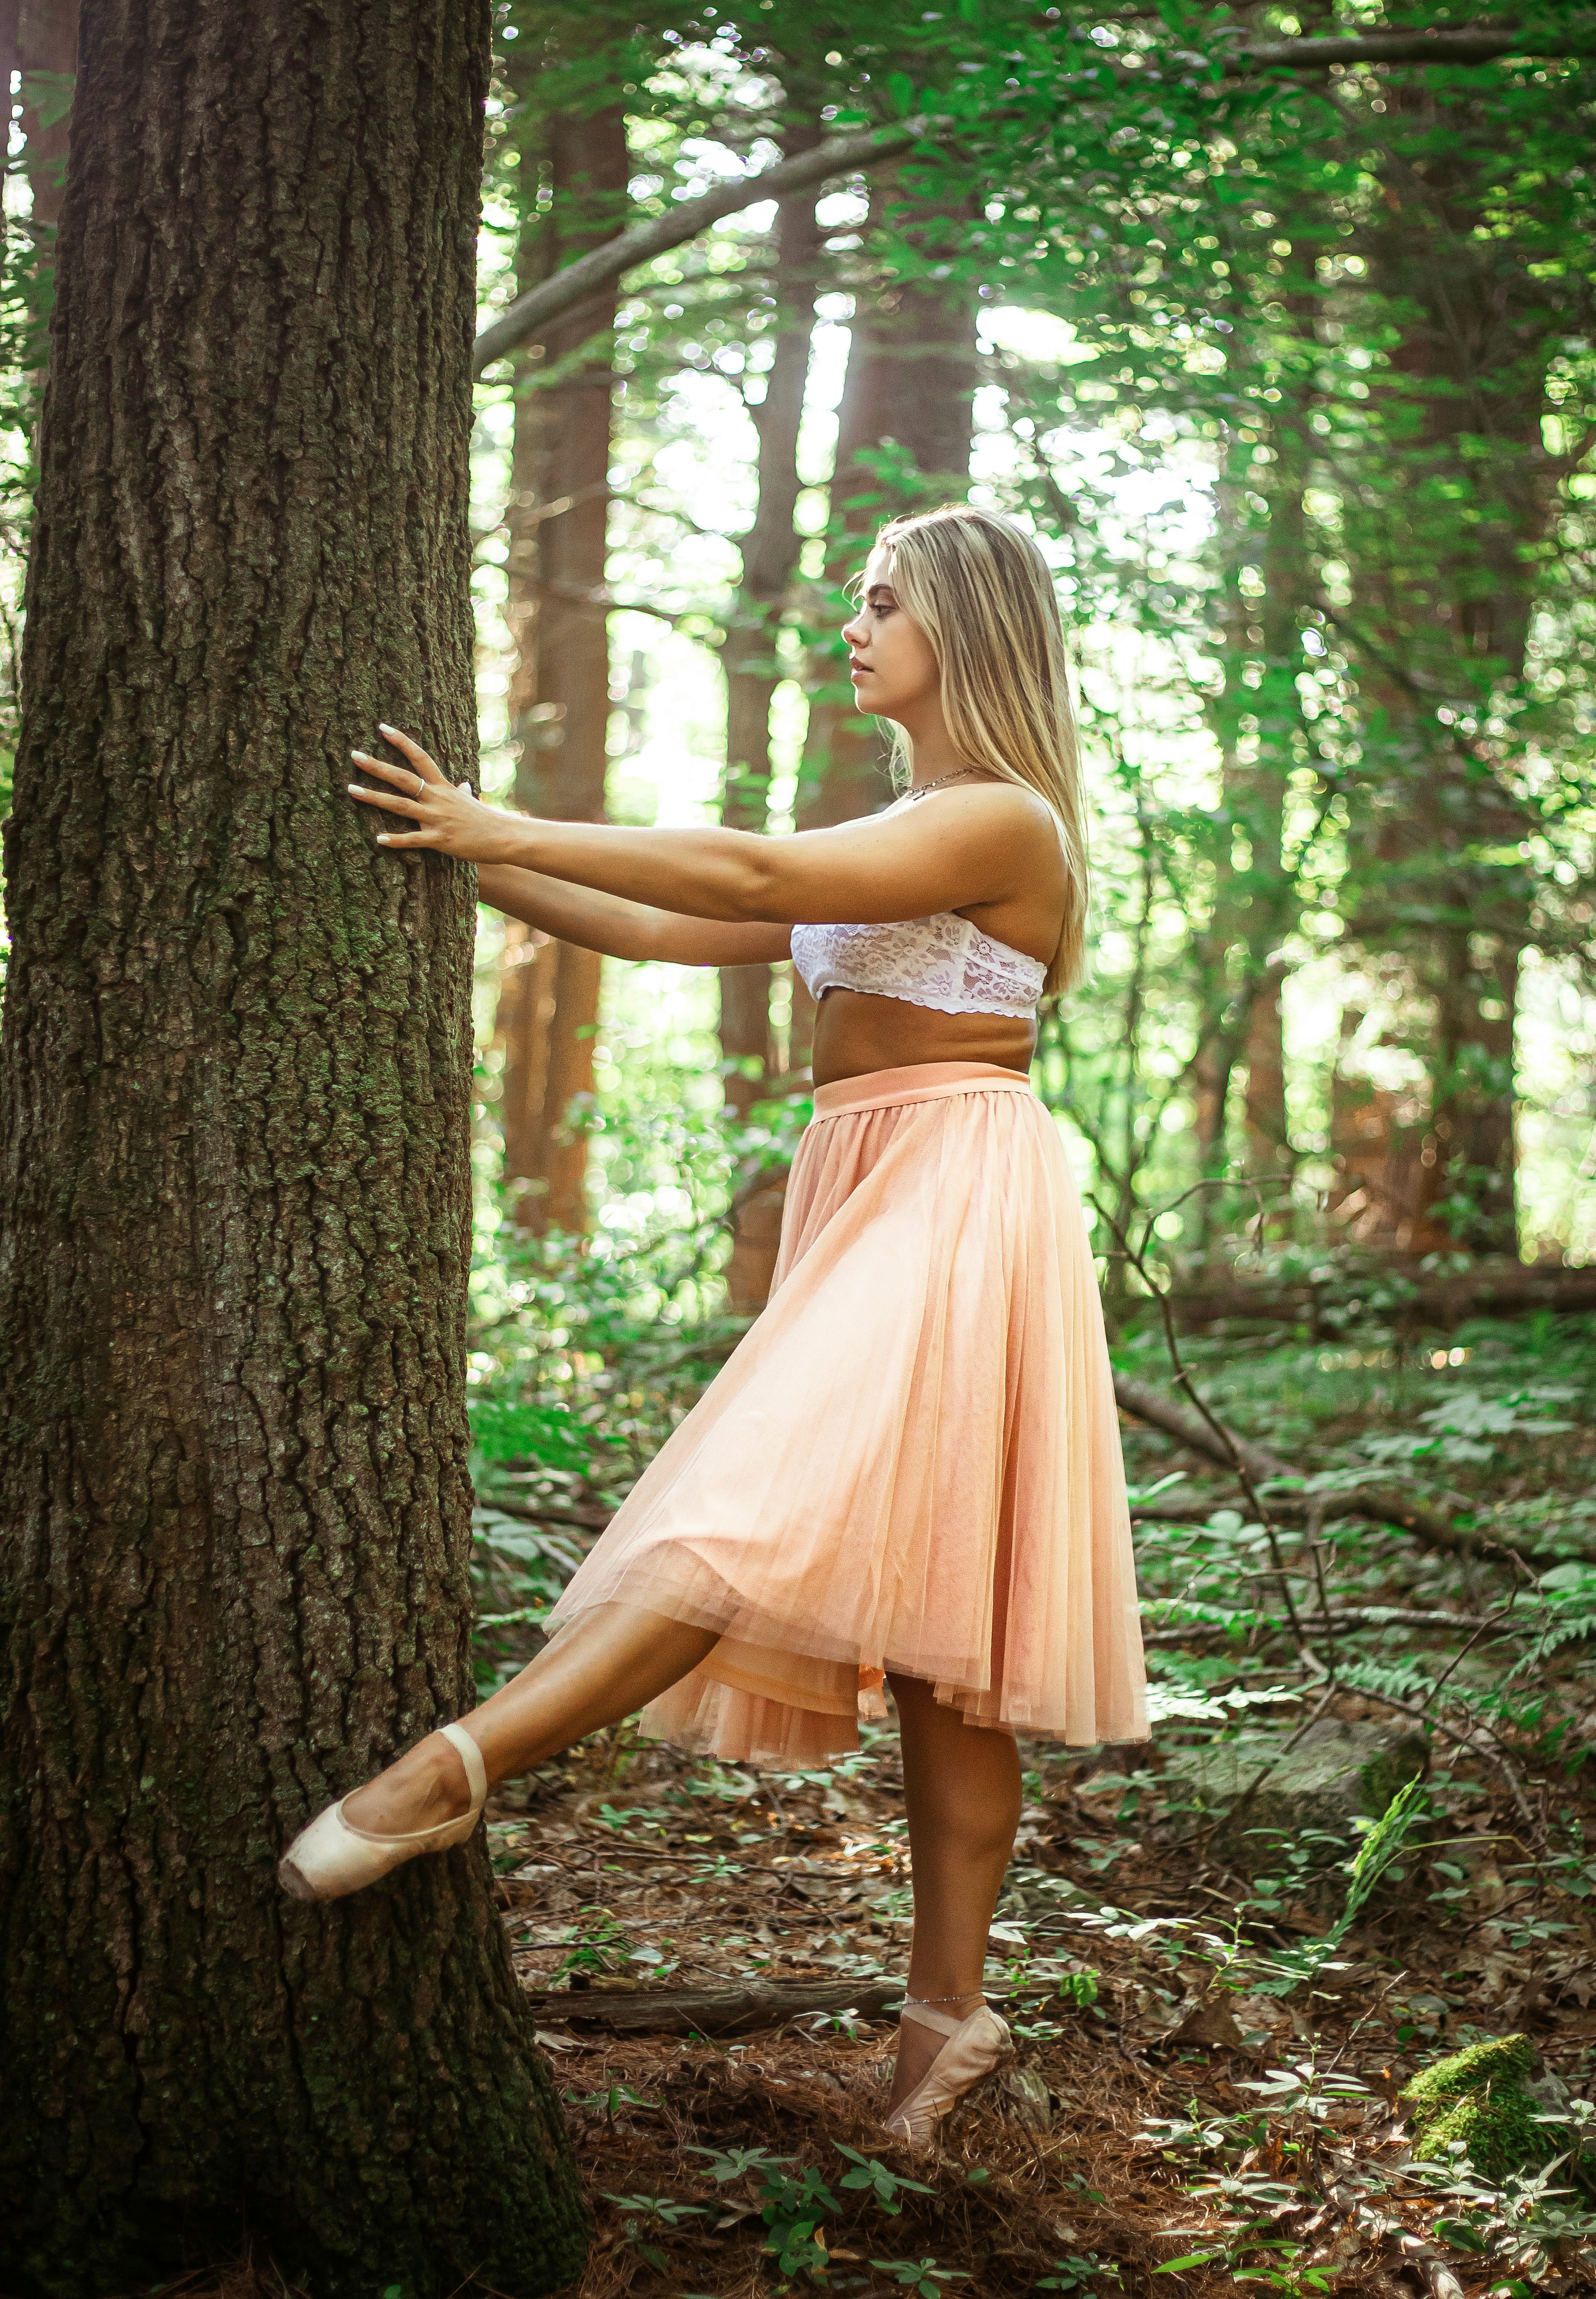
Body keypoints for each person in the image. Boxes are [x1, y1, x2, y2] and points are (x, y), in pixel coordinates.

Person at [280, 504, 1149, 2151]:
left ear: (965, 622)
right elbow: (688, 924)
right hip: (875, 1188)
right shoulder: (901, 823)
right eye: (855, 597)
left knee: (744, 1520)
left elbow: (749, 869)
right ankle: (948, 2017)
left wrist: (495, 816)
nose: (855, 618)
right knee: (940, 1669)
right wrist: (478, 856)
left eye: (883, 598)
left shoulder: (1003, 820)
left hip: (956, 1195)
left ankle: (449, 1772)